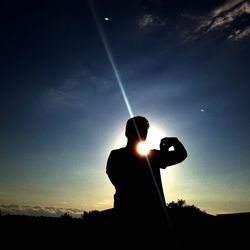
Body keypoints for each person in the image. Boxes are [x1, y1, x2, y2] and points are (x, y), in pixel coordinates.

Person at [106, 116, 187, 244]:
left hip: (143, 220)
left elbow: (182, 155)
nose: (142, 133)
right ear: (127, 132)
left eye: (144, 130)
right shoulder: (149, 156)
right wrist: (173, 143)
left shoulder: (149, 156)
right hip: (135, 220)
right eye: (139, 129)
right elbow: (181, 154)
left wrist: (174, 143)